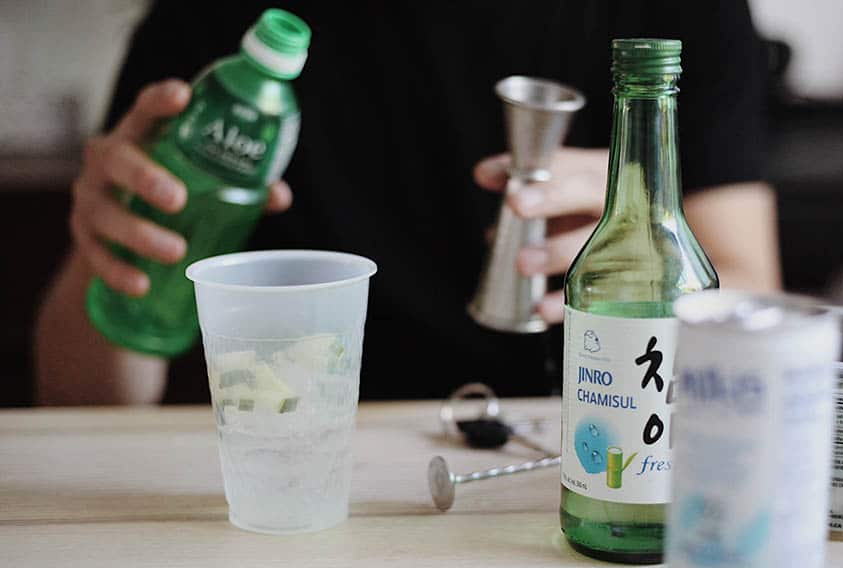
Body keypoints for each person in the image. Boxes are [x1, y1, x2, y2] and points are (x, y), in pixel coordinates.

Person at [35, 1, 780, 405]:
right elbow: (78, 398)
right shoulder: (219, 31)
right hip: (293, 452)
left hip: (566, 452)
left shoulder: (681, 20)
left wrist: (645, 242)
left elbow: (759, 308)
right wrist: (118, 266)